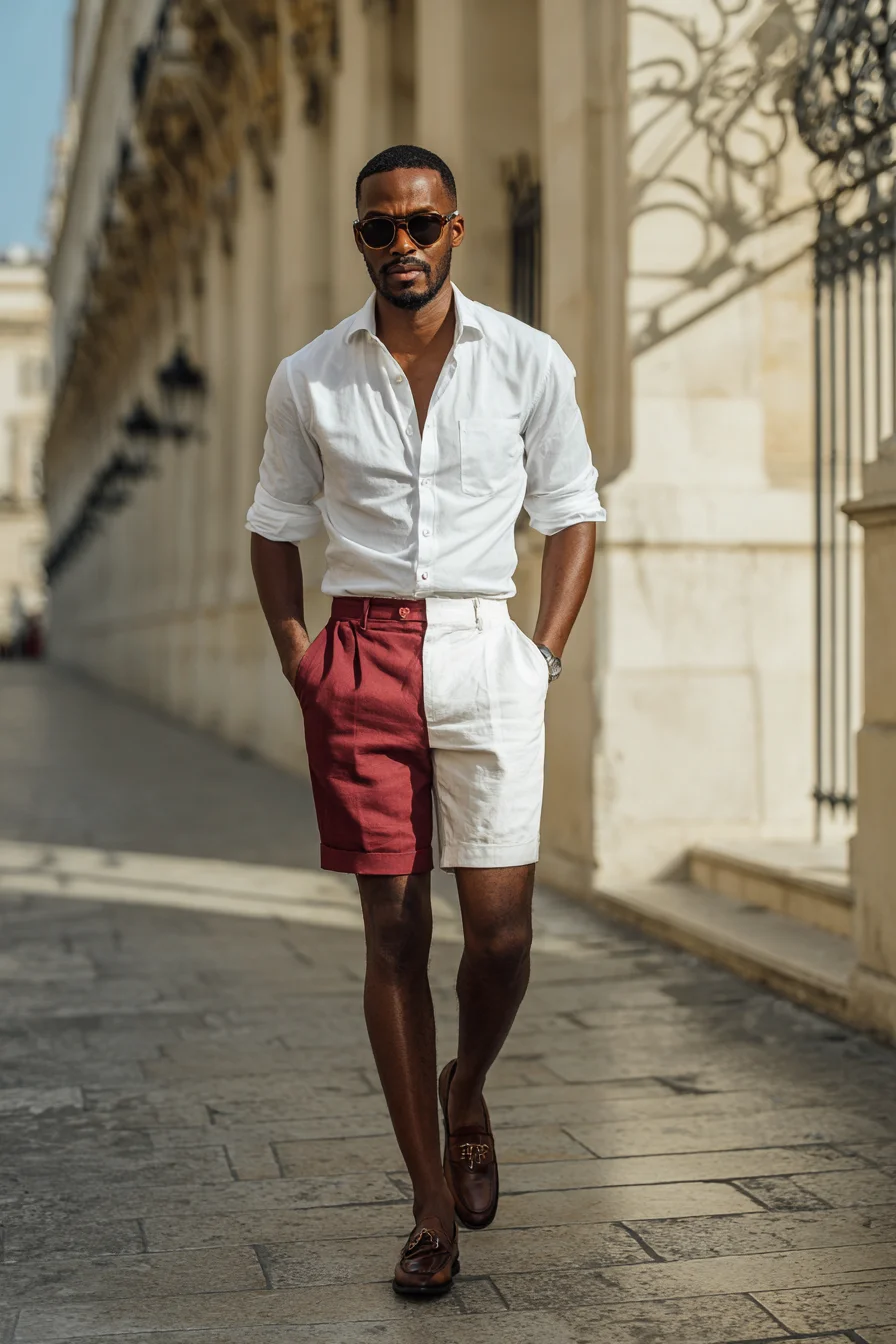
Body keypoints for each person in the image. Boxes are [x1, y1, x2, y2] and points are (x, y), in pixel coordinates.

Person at [247, 144, 605, 1296]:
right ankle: (427, 1203)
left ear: (455, 230)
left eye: (419, 224)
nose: (398, 246)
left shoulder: (526, 360)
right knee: (393, 934)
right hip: (358, 654)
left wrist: (540, 653)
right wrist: (304, 661)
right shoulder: (309, 376)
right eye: (377, 230)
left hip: (482, 649)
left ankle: (465, 1091)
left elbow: (571, 511)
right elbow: (273, 525)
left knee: (498, 934)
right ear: (358, 238)